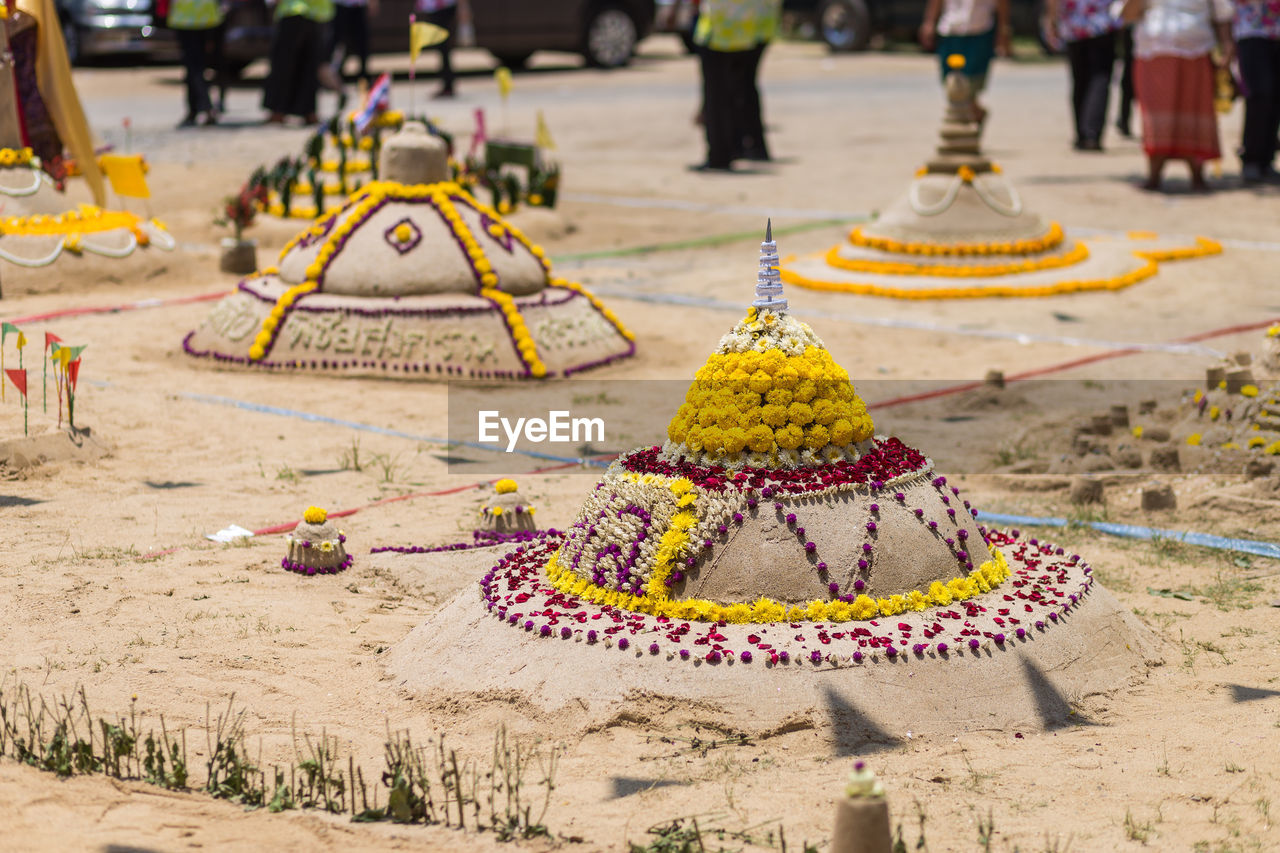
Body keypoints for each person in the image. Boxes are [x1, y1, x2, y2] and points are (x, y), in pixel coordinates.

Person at [1126, 0, 1233, 190]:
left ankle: (1197, 175)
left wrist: (1227, 45)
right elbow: (1127, 14)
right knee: (1155, 115)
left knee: (1195, 109)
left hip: (1197, 49)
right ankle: (1154, 175)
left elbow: (1222, 13)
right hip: (1153, 50)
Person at [691, 0, 782, 171]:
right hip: (751, 25)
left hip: (721, 26)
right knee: (743, 88)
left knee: (717, 95)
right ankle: (746, 145)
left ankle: (721, 154)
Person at [1043, 0, 1121, 150]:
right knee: (1100, 79)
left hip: (1074, 23)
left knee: (1080, 80)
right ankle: (1092, 134)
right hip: (1102, 22)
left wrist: (1051, 19)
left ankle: (1082, 134)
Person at [919, 0, 1013, 121]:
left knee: (970, 87)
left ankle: (968, 120)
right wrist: (929, 22)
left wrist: (1003, 30)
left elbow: (1002, 3)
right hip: (950, 29)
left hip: (979, 30)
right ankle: (969, 118)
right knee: (951, 84)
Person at [263, 0, 334, 124]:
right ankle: (308, 112)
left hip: (293, 11)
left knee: (283, 64)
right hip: (316, 14)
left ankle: (278, 111)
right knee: (309, 64)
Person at [1234, 0, 1280, 184]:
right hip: (1252, 30)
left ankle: (1266, 160)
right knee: (1260, 93)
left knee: (1276, 95)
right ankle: (1252, 158)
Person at [167, 0, 224, 127]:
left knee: (194, 68)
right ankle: (194, 110)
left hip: (185, 18)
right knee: (196, 67)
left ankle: (204, 107)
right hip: (207, 16)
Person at [328, 0, 378, 86]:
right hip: (340, 5)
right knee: (339, 44)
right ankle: (336, 76)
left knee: (362, 42)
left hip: (359, 5)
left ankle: (364, 77)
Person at [417, 0, 457, 98]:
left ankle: (448, 84)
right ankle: (447, 83)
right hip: (434, 7)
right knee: (441, 47)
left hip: (444, 6)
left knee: (443, 46)